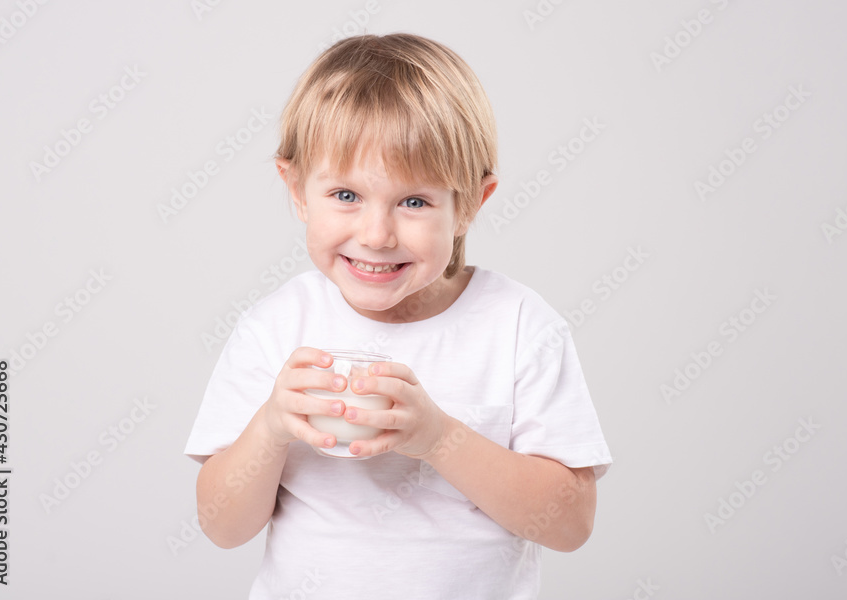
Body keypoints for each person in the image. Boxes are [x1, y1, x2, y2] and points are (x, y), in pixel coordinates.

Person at [184, 32, 612, 599]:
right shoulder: (276, 328)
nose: (376, 234)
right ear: (297, 190)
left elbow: (570, 524)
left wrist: (438, 437)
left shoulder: (518, 327)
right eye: (345, 195)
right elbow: (222, 527)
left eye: (414, 202)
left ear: (470, 204)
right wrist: (270, 428)